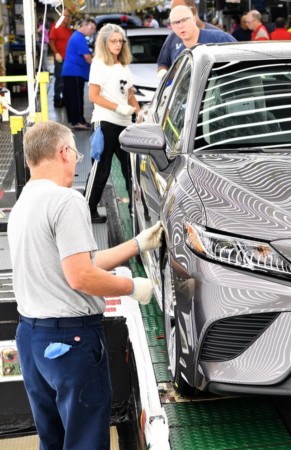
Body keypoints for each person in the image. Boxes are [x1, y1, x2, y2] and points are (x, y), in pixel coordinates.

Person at [9, 121, 162, 449]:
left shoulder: (24, 204)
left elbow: (79, 262)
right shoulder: (65, 201)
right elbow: (80, 276)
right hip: (70, 343)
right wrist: (131, 287)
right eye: (76, 156)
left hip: (33, 341)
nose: (76, 163)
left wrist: (136, 244)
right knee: (86, 442)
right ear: (64, 152)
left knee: (53, 439)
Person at [86, 24, 140, 224]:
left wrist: (139, 112)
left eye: (120, 41)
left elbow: (130, 93)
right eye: (113, 41)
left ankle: (134, 207)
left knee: (131, 169)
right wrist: (118, 107)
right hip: (105, 123)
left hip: (125, 124)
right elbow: (93, 96)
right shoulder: (99, 64)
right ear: (104, 42)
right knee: (101, 170)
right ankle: (88, 210)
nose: (118, 44)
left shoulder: (123, 65)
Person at [156, 0, 230, 72]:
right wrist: (164, 74)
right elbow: (163, 63)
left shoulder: (219, 37)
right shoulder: (173, 39)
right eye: (173, 11)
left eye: (180, 10)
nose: (176, 14)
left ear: (193, 11)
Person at [61, 18, 96, 130]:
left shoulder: (78, 36)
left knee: (73, 97)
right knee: (75, 98)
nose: (92, 31)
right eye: (91, 28)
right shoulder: (79, 38)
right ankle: (77, 121)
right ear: (84, 25)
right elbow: (88, 58)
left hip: (72, 73)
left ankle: (75, 120)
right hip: (74, 72)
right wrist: (99, 65)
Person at [48, 12, 72, 107]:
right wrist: (56, 53)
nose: (68, 18)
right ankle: (57, 99)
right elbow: (51, 42)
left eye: (69, 16)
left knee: (67, 80)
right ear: (61, 17)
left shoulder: (69, 30)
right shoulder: (55, 28)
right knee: (60, 79)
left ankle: (65, 98)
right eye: (66, 16)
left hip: (69, 59)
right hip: (60, 59)